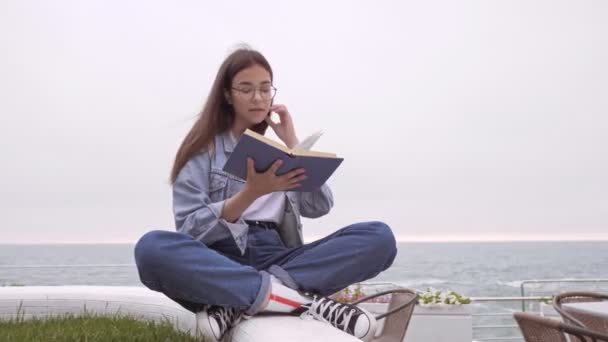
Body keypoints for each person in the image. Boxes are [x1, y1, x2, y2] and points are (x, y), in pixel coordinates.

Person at [134, 46, 398, 342]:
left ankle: (239, 301)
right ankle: (303, 301)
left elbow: (320, 205)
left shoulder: (279, 152)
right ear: (227, 94)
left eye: (265, 88)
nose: (258, 98)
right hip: (218, 260)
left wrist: (293, 143)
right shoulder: (203, 151)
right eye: (246, 89)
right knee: (151, 249)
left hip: (280, 258)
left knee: (380, 237)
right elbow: (190, 229)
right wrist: (251, 193)